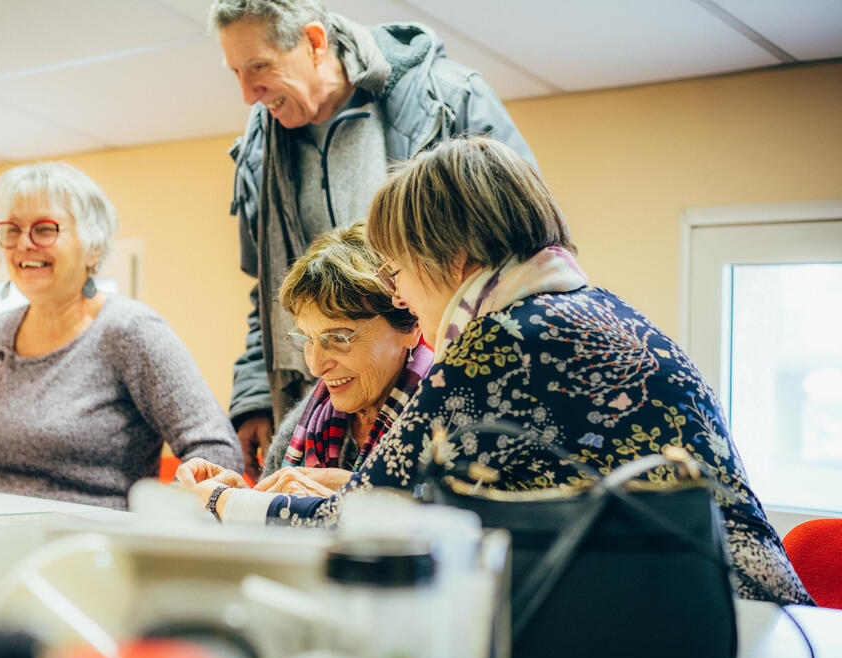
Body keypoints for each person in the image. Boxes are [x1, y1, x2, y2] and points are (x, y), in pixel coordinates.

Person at [181, 136, 811, 605]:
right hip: (762, 615)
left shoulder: (499, 342)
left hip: (709, 624)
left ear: (453, 259)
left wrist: (219, 500)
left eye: (398, 272)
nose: (398, 295)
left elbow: (363, 521)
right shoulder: (603, 311)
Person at [208, 0, 537, 481]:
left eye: (259, 66)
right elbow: (267, 286)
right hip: (325, 399)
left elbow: (521, 252)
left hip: (444, 376)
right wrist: (255, 393)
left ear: (315, 42)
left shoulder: (447, 98)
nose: (246, 94)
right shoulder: (261, 145)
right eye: (236, 72)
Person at [0, 161, 242, 510]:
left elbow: (218, 452)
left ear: (93, 246)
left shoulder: (130, 330)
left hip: (95, 540)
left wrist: (157, 521)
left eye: (44, 229)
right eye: (12, 230)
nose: (24, 244)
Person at [179, 221, 430, 500]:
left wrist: (358, 490)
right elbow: (277, 511)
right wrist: (241, 499)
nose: (316, 367)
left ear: (411, 326)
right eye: (308, 339)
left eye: (338, 338)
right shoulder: (308, 418)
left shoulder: (447, 413)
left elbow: (452, 516)